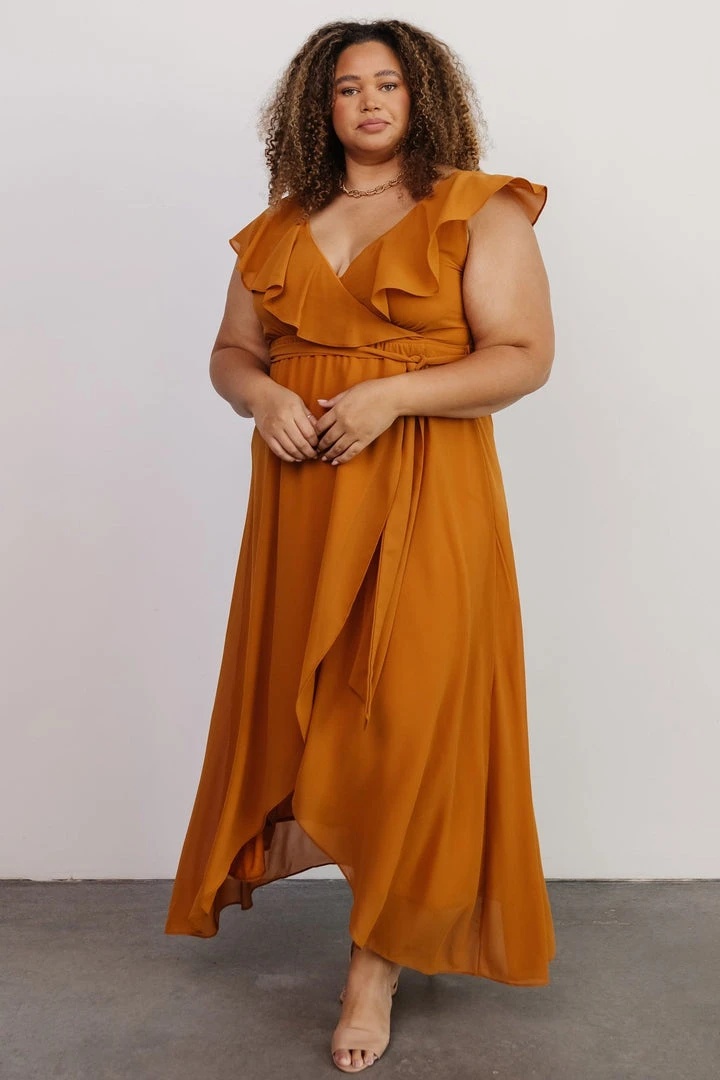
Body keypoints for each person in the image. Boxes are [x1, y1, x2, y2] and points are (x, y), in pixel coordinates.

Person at [165, 17, 556, 1073]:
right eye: (348, 87)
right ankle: (379, 925)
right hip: (303, 501)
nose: (370, 102)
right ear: (319, 106)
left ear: (423, 96)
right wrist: (260, 399)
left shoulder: (477, 208)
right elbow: (232, 351)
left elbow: (524, 356)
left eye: (388, 83)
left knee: (407, 717)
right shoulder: (279, 227)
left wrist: (393, 396)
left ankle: (373, 967)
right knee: (315, 707)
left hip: (428, 490)